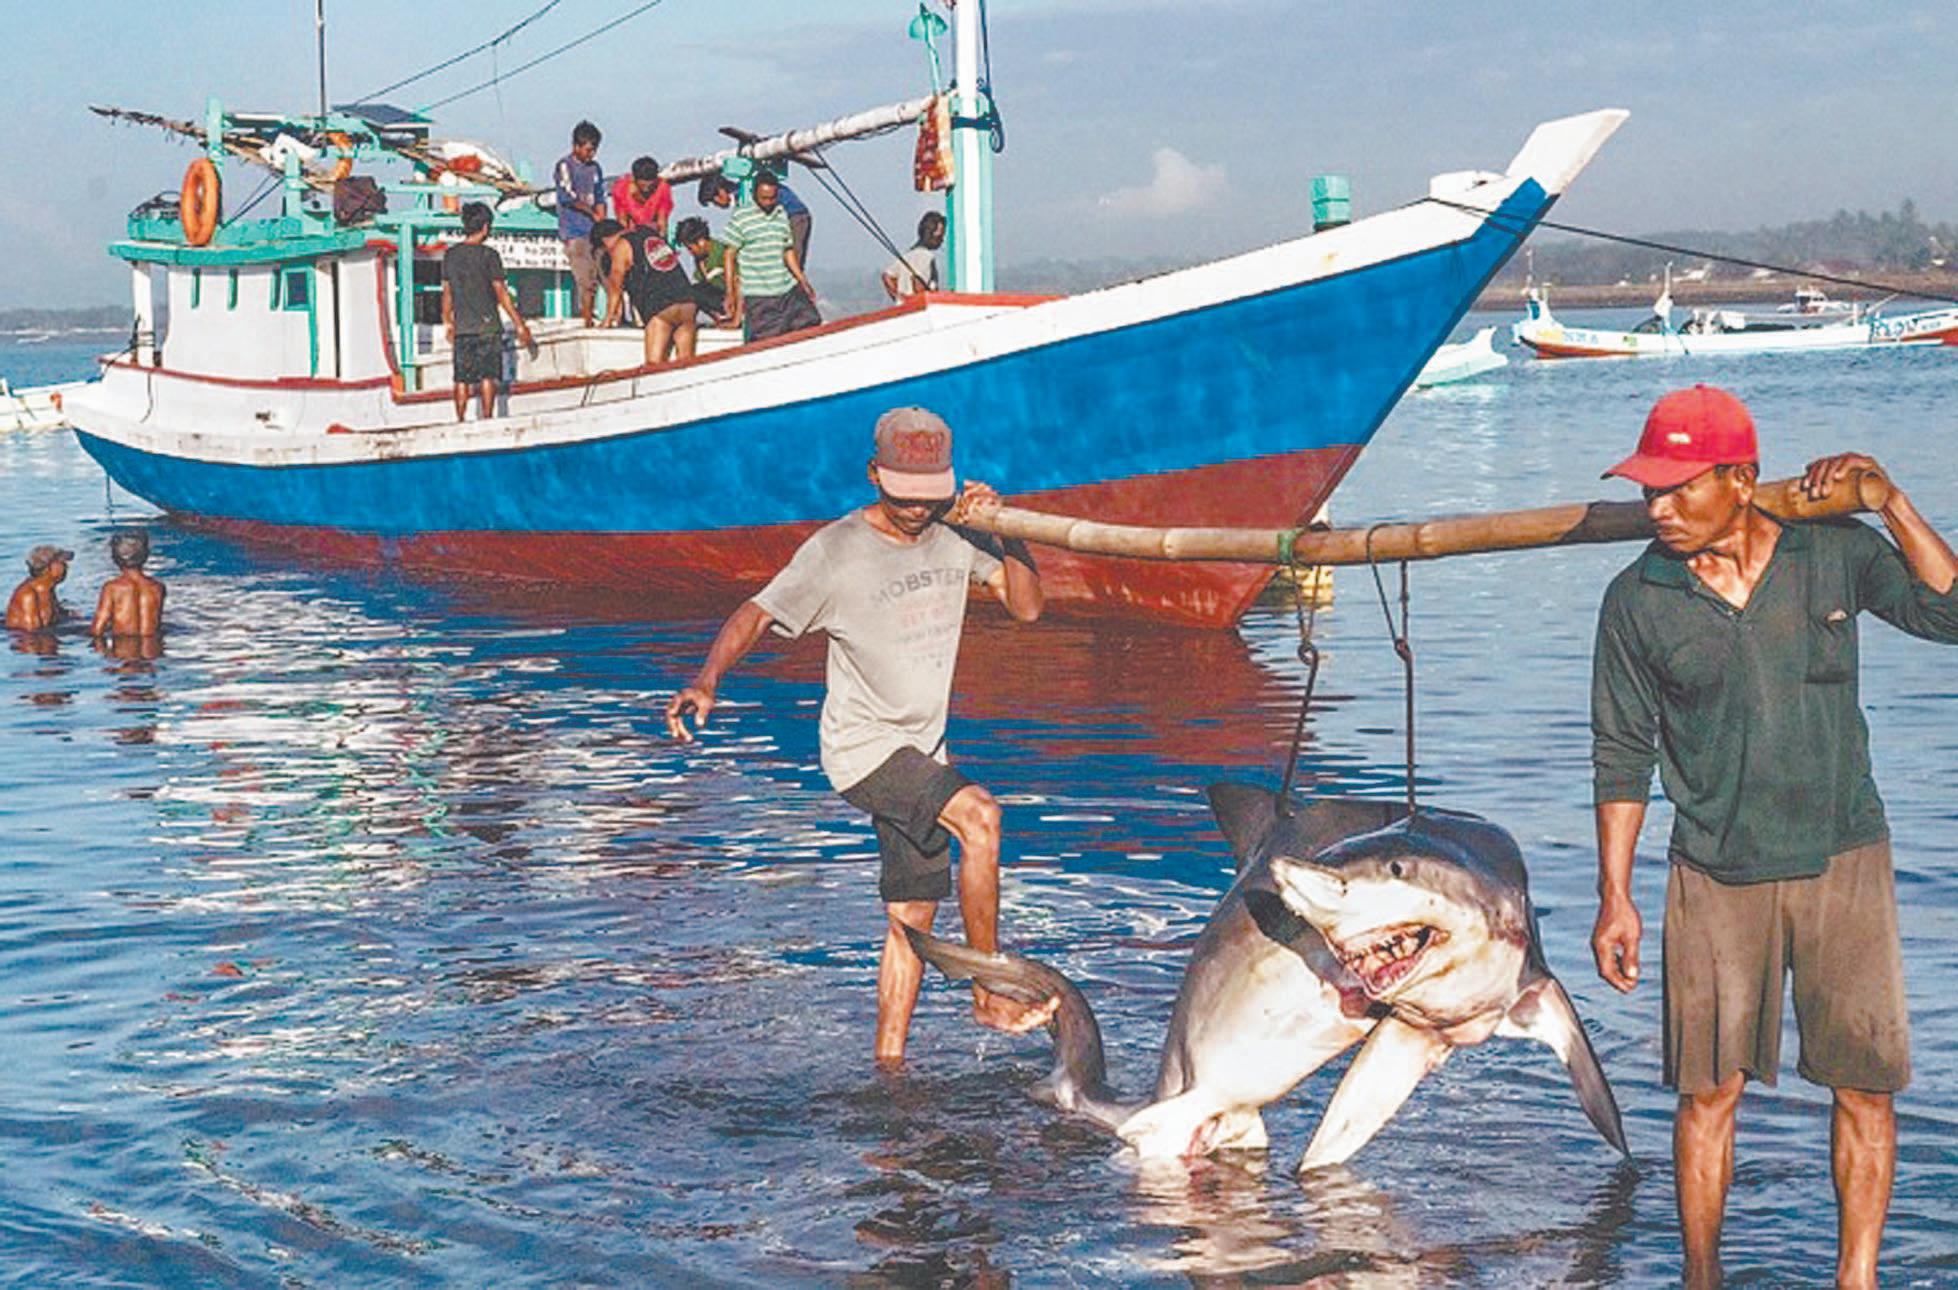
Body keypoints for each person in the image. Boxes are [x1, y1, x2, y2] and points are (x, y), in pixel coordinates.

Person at [1587, 384, 1958, 1290]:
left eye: (1678, 487)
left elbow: (1950, 615)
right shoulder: (1638, 599)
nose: (1658, 508)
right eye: (1649, 490)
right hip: (1714, 870)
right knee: (1708, 1092)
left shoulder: (1834, 553)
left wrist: (1891, 499)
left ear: (1742, 480)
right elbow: (1622, 754)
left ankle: (1857, 1280)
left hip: (1844, 857)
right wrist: (1615, 895)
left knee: (1864, 1086)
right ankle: (1702, 1277)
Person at [664, 407, 1057, 1066]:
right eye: (904, 496)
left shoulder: (957, 533)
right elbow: (756, 614)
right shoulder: (836, 550)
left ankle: (889, 1067)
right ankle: (989, 990)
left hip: (923, 752)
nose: (916, 510)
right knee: (981, 817)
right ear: (875, 474)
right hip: (862, 751)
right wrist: (707, 680)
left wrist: (1006, 531)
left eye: (929, 496)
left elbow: (1028, 607)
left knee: (912, 917)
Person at [442, 202, 535, 422]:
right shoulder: (489, 255)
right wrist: (519, 324)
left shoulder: (451, 255)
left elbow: (447, 292)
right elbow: (501, 292)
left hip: (463, 327)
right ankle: (487, 418)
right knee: (488, 375)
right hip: (488, 326)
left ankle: (460, 419)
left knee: (461, 378)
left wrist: (448, 321)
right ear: (485, 227)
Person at [723, 170, 820, 342]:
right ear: (755, 195)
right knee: (768, 338)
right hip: (760, 296)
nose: (768, 203)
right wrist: (730, 292)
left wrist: (802, 280)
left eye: (772, 198)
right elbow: (729, 255)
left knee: (810, 325)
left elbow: (787, 251)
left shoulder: (781, 213)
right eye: (764, 198)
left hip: (787, 289)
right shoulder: (741, 217)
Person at [590, 218, 697, 367]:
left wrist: (607, 320)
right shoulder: (649, 235)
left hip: (661, 306)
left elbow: (615, 286)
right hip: (687, 302)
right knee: (686, 364)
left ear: (605, 241)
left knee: (653, 366)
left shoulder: (621, 246)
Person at [553, 120, 606, 326]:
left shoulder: (595, 169)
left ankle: (612, 316)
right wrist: (592, 213)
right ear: (576, 146)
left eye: (594, 150)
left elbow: (600, 196)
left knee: (604, 275)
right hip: (575, 232)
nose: (591, 155)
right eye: (588, 150)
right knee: (585, 279)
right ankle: (587, 319)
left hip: (595, 232)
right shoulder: (565, 166)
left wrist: (602, 221)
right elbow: (568, 197)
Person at [91, 529, 167, 644]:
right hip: (152, 648)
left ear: (115, 558)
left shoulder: (112, 588)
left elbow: (97, 630)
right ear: (145, 556)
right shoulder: (158, 587)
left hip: (123, 649)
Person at [674, 216, 731, 322]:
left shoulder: (722, 252)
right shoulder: (700, 259)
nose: (689, 253)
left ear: (701, 242)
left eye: (690, 248)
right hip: (716, 298)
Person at [882, 211, 947, 302]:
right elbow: (918, 285)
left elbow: (887, 276)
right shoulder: (927, 256)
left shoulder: (907, 255)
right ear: (931, 234)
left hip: (903, 307)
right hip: (920, 308)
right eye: (940, 236)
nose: (942, 240)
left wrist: (898, 297)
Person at [6, 544, 72, 632]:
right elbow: (30, 635)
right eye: (62, 563)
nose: (67, 567)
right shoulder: (28, 595)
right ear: (50, 568)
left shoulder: (48, 588)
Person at [611, 155, 673, 240]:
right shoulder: (621, 189)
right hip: (632, 232)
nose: (647, 189)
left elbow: (662, 222)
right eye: (643, 185)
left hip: (653, 231)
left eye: (651, 186)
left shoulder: (663, 188)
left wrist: (662, 240)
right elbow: (622, 221)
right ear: (634, 179)